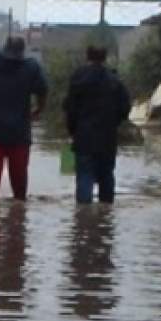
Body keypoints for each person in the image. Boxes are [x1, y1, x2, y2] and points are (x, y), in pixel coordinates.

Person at [0, 36, 48, 200]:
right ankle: (18, 220)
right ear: (22, 51)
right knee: (19, 187)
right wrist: (39, 109)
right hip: (20, 133)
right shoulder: (31, 67)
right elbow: (43, 90)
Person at [62, 45, 132, 204]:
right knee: (106, 175)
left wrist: (72, 130)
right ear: (105, 58)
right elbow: (125, 107)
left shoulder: (78, 79)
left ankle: (83, 218)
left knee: (85, 176)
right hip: (107, 138)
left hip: (83, 137)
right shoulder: (114, 81)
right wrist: (115, 123)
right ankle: (106, 217)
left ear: (87, 56)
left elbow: (69, 108)